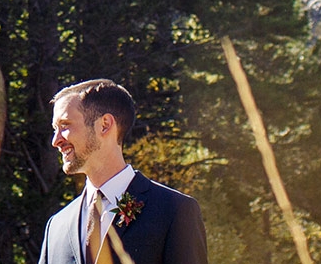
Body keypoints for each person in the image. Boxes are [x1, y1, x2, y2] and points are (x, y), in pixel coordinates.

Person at [36, 80, 208, 264]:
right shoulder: (56, 227)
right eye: (55, 129)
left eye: (65, 125)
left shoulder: (174, 211)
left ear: (105, 125)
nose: (55, 141)